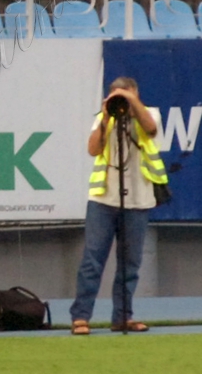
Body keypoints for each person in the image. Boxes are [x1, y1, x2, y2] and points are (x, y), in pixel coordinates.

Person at [70, 77, 168, 336]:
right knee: (92, 260)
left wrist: (132, 101)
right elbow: (93, 149)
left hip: (137, 200)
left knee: (130, 264)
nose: (121, 100)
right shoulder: (105, 117)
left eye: (125, 94)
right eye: (116, 95)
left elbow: (150, 129)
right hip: (103, 200)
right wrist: (105, 118)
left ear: (136, 93)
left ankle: (122, 317)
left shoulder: (151, 114)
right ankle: (81, 317)